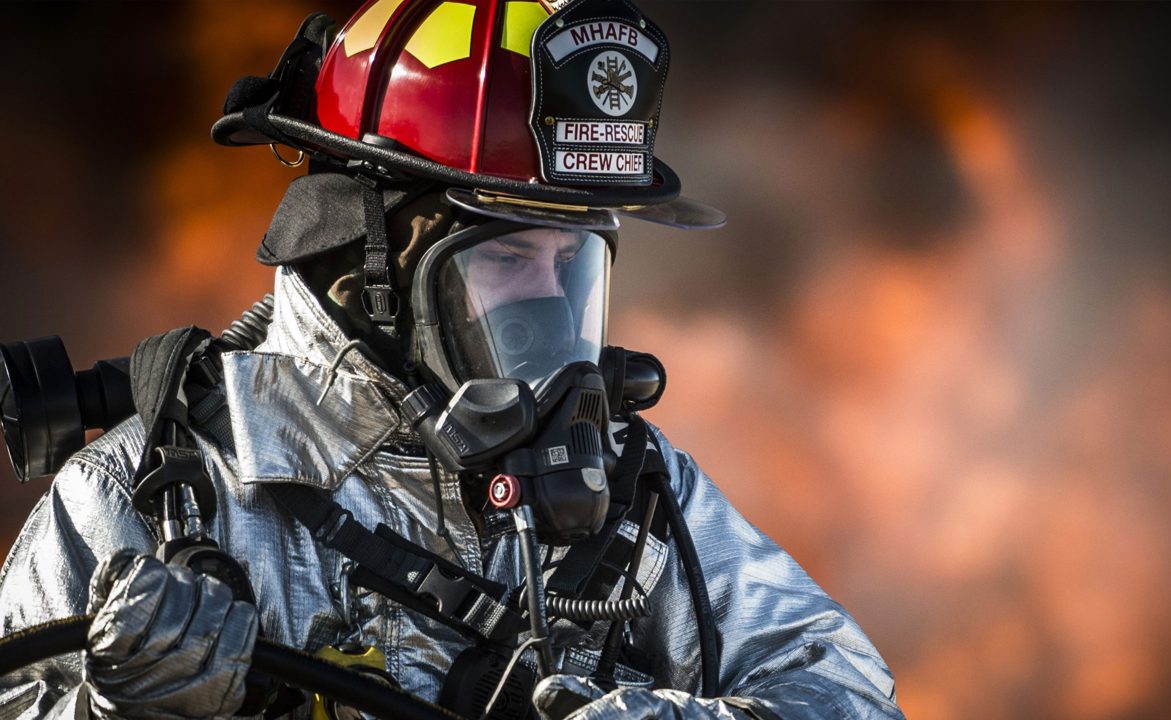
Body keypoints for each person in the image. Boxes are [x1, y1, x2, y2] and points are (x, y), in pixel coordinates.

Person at [0, 1, 903, 719]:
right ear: (367, 265)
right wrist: (109, 708)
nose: (548, 309)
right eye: (507, 260)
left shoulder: (635, 487)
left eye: (572, 266)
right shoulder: (149, 495)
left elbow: (845, 689)